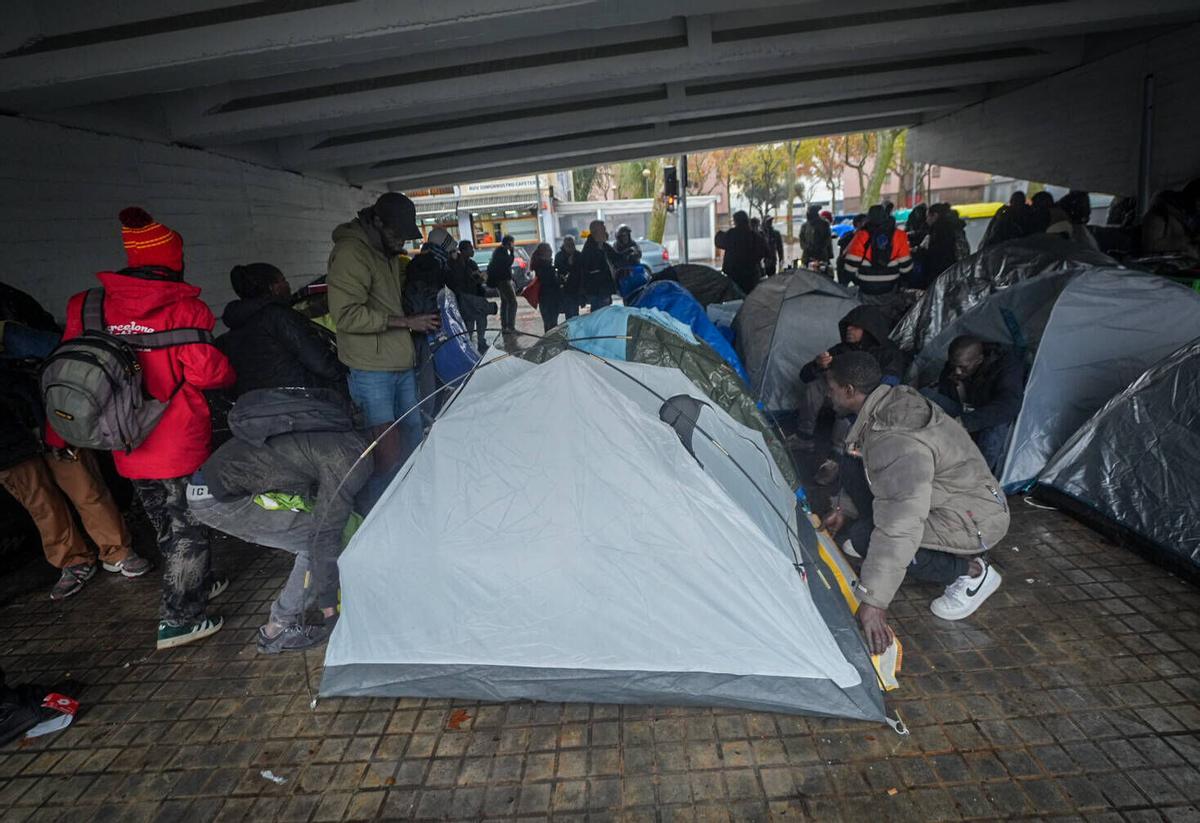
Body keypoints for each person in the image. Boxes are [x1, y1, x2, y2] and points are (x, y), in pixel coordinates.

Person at [48, 207, 235, 649]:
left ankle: (197, 582)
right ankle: (180, 618)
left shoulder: (88, 305)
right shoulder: (183, 308)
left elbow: (70, 369)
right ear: (175, 260)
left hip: (122, 439)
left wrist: (58, 434)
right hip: (175, 441)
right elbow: (209, 375)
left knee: (165, 524)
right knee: (187, 528)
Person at [822, 353, 1009, 653]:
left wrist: (873, 602)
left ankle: (972, 570)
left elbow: (901, 525)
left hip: (973, 519)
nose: (826, 393)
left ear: (848, 390)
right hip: (945, 496)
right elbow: (864, 464)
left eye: (830, 387)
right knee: (852, 460)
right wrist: (843, 507)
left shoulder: (896, 439)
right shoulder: (885, 404)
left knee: (869, 538)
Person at [188, 388, 370, 653]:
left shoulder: (340, 432)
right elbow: (324, 536)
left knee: (323, 531)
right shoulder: (348, 462)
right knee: (313, 543)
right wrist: (331, 611)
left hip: (218, 478)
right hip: (217, 499)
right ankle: (279, 629)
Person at [326, 192, 440, 509]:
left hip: (399, 363)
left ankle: (413, 503)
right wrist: (406, 322)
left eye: (405, 236)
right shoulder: (351, 253)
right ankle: (378, 515)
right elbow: (346, 315)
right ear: (376, 222)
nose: (400, 242)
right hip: (371, 370)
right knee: (384, 449)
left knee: (413, 432)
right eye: (396, 234)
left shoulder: (385, 252)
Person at [1, 391, 147, 601]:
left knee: (87, 487)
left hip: (49, 412)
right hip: (8, 442)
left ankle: (117, 550)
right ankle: (72, 560)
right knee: (40, 505)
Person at [799, 305, 906, 474]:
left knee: (850, 403)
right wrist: (817, 365)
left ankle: (835, 459)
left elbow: (889, 385)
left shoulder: (888, 352)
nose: (849, 329)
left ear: (870, 330)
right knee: (815, 386)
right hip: (840, 394)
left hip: (865, 402)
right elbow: (804, 376)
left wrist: (863, 399)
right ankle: (803, 437)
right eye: (847, 326)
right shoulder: (841, 349)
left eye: (855, 327)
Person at [217, 263, 342, 397]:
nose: (287, 285)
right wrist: (347, 370)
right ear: (274, 288)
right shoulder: (278, 316)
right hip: (299, 401)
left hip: (252, 405)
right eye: (283, 280)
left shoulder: (237, 324)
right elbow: (321, 364)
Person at [923, 336, 1024, 475]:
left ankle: (979, 476)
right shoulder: (955, 366)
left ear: (979, 360)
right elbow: (948, 395)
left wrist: (967, 422)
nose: (958, 371)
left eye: (963, 367)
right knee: (925, 395)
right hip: (967, 410)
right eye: (954, 366)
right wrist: (957, 387)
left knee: (995, 429)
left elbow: (1009, 406)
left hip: (989, 416)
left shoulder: (1006, 367)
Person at [843, 205, 913, 301]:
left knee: (867, 313)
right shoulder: (899, 235)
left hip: (866, 287)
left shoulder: (861, 235)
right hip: (890, 288)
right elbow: (906, 268)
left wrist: (847, 281)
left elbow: (851, 266)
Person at [447, 239, 492, 353]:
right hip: (464, 298)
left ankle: (481, 342)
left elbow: (477, 280)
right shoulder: (456, 263)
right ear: (463, 250)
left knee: (482, 318)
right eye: (470, 248)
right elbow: (457, 280)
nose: (473, 250)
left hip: (475, 296)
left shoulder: (471, 263)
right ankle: (468, 346)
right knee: (469, 322)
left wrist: (479, 278)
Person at [911, 203, 966, 288]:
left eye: (928, 217)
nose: (926, 220)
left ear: (935, 216)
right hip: (957, 270)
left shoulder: (940, 230)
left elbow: (936, 254)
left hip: (943, 274)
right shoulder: (953, 227)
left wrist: (919, 252)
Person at [1142, 179, 1200, 259]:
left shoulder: (1194, 218)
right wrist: (1187, 240)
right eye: (1198, 201)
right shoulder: (1159, 214)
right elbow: (1151, 246)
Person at [715, 210, 768, 295]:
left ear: (736, 221)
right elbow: (765, 251)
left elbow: (719, 242)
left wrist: (719, 233)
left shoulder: (732, 234)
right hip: (751, 275)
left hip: (734, 275)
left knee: (736, 300)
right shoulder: (754, 236)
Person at [579, 220, 621, 312]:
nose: (605, 232)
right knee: (600, 315)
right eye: (603, 230)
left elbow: (616, 257)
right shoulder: (589, 249)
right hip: (597, 292)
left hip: (605, 291)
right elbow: (591, 271)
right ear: (595, 232)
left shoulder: (604, 246)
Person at [487, 235, 518, 333]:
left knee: (505, 302)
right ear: (509, 243)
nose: (513, 245)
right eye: (512, 243)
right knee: (513, 302)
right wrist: (512, 253)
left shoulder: (499, 251)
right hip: (503, 281)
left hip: (501, 280)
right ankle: (510, 326)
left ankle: (505, 327)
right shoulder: (501, 252)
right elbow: (507, 263)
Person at [529, 242, 562, 332]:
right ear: (544, 252)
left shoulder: (541, 264)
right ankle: (551, 343)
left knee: (549, 323)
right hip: (549, 298)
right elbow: (550, 282)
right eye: (549, 249)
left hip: (545, 298)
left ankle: (550, 342)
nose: (551, 251)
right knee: (551, 324)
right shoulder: (544, 266)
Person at [554, 236, 582, 321]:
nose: (571, 247)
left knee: (575, 313)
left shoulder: (578, 255)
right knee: (569, 313)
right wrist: (569, 264)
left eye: (572, 245)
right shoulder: (559, 256)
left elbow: (581, 271)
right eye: (568, 245)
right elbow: (559, 270)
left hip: (576, 288)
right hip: (565, 289)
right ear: (564, 245)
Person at [835, 214, 866, 284]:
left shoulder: (867, 236)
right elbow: (843, 251)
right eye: (865, 222)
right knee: (842, 288)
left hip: (859, 268)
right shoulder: (848, 236)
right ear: (858, 224)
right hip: (845, 266)